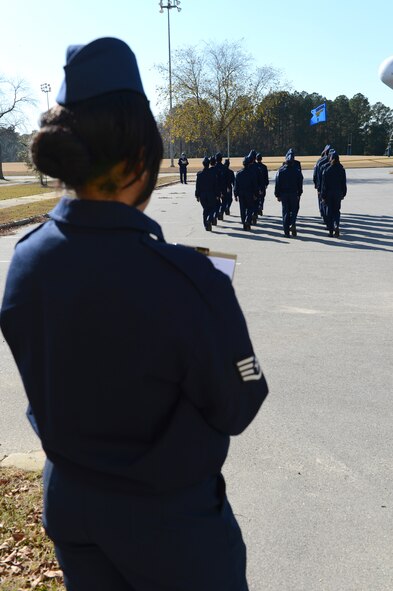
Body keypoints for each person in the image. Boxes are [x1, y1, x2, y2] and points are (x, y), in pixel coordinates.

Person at [0, 37, 269, 591]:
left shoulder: (25, 259)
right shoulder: (189, 280)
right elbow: (238, 405)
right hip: (170, 525)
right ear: (141, 158)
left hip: (72, 507)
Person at [275, 151, 303, 237]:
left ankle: (286, 232)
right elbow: (300, 183)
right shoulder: (297, 171)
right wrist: (299, 193)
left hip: (284, 194)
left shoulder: (281, 171)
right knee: (294, 210)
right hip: (294, 194)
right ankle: (292, 223)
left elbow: (277, 183)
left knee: (285, 212)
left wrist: (277, 194)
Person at [320, 150, 347, 237]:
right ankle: (337, 225)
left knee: (329, 212)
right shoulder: (341, 169)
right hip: (338, 193)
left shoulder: (327, 170)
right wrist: (343, 193)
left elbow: (324, 185)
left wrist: (323, 196)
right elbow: (343, 183)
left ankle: (331, 231)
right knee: (337, 211)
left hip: (329, 194)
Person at [234, 156, 259, 231]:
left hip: (241, 193)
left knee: (242, 209)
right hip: (249, 193)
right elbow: (255, 185)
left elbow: (236, 185)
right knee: (250, 208)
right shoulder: (252, 173)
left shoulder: (239, 173)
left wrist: (235, 194)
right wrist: (256, 194)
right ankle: (248, 220)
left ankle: (244, 223)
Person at [195, 156, 219, 230]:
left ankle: (206, 224)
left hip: (202, 195)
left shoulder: (199, 174)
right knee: (213, 208)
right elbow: (216, 185)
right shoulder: (213, 174)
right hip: (211, 194)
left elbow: (197, 186)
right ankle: (209, 219)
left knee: (205, 209)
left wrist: (197, 195)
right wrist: (217, 194)